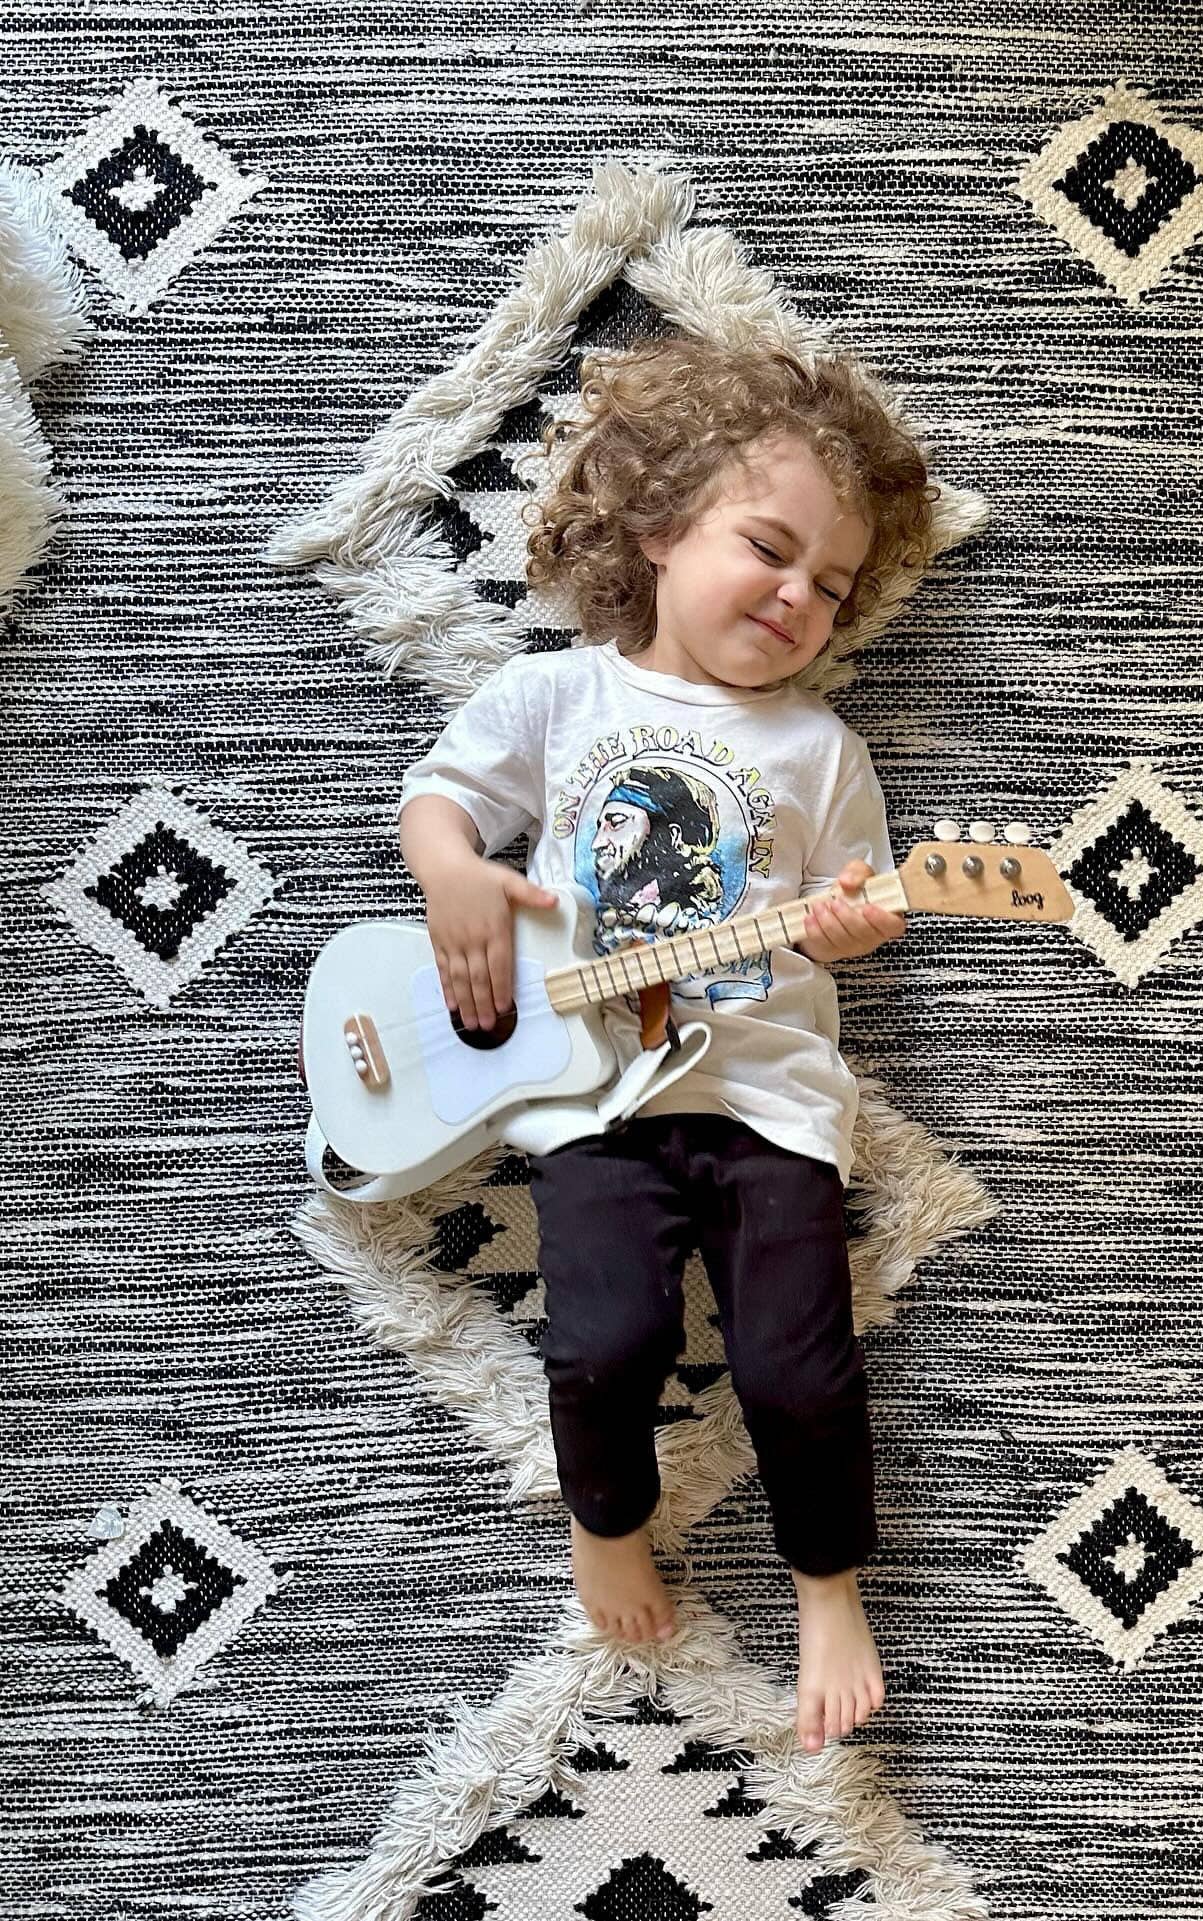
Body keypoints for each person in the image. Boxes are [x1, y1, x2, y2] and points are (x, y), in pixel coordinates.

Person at [396, 331, 938, 1752]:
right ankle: (607, 1524)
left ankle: (829, 1585)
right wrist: (452, 874)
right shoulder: (558, 697)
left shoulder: (820, 750)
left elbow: (848, 913)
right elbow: (440, 805)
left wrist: (851, 927)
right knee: (606, 1344)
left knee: (802, 1373)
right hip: (590, 1099)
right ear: (656, 526)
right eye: (769, 547)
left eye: (832, 584)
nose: (799, 595)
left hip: (769, 1102)